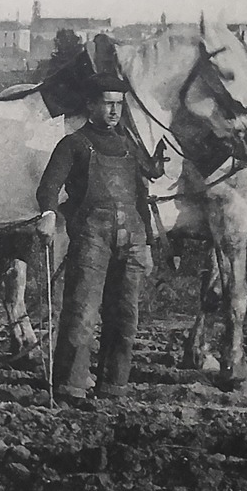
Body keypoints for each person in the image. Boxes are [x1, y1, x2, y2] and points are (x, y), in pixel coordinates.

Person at [34, 74, 167, 401]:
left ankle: (113, 383)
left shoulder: (129, 147)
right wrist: (48, 216)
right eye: (107, 103)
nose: (113, 111)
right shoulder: (73, 144)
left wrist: (148, 243)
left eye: (118, 104)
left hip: (132, 240)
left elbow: (140, 197)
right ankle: (71, 384)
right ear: (91, 105)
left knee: (125, 316)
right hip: (91, 239)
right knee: (82, 312)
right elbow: (48, 187)